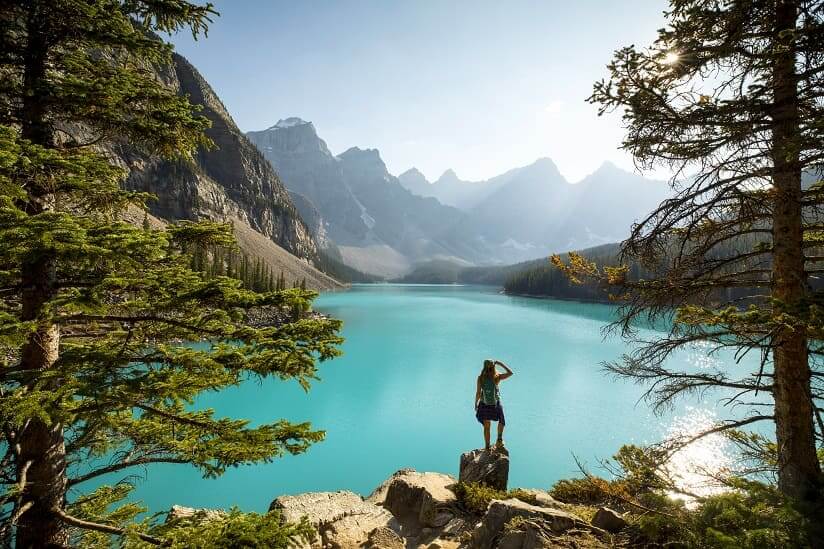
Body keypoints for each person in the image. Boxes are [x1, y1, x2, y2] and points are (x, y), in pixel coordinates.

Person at [474, 359, 513, 451]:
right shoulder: (497, 377)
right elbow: (510, 373)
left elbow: (478, 393)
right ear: (493, 366)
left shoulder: (481, 378)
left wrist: (475, 403)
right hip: (495, 404)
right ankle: (499, 439)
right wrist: (501, 364)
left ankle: (487, 447)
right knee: (501, 421)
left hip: (484, 404)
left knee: (487, 427)